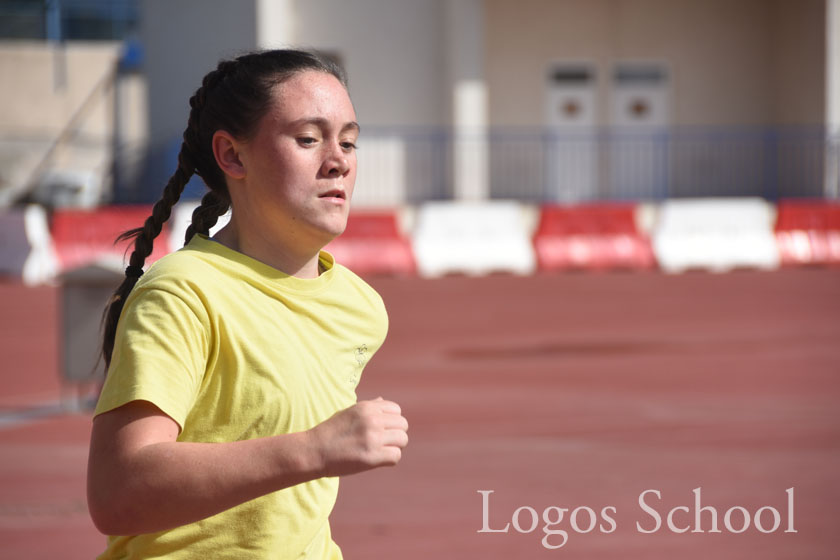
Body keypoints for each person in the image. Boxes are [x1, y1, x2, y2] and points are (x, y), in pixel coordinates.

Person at [87, 49, 409, 559]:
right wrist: (314, 449)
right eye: (308, 139)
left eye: (348, 140)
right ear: (232, 156)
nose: (339, 160)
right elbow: (117, 493)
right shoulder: (183, 292)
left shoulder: (359, 306)